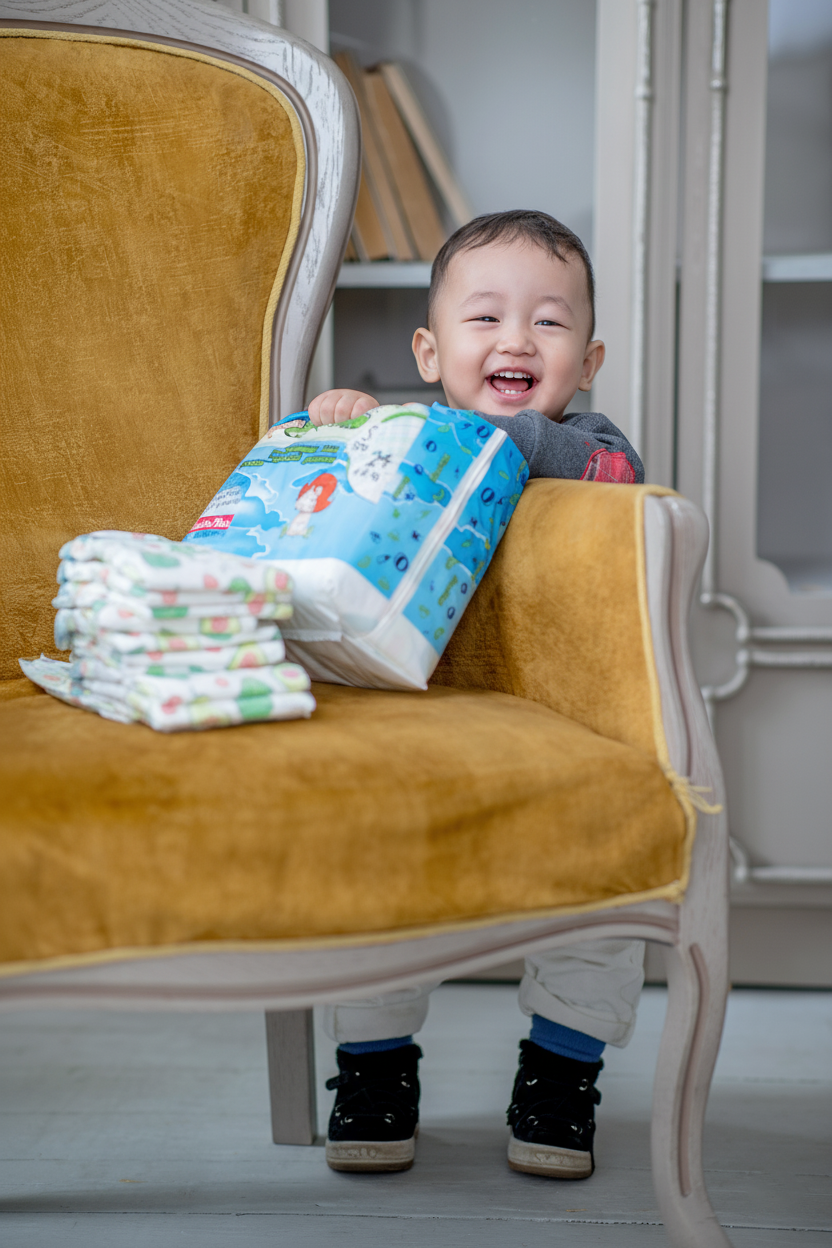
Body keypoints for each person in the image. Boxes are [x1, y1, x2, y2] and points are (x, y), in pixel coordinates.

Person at [308, 210, 645, 1181]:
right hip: (414, 714)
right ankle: (373, 1069)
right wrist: (348, 428)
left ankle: (560, 1075)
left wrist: (464, 433)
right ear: (429, 352)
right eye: (486, 318)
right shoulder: (403, 441)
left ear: (588, 362)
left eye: (550, 323)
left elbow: (608, 477)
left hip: (561, 721)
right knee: (369, 882)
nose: (516, 340)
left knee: (600, 900)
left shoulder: (590, 446)